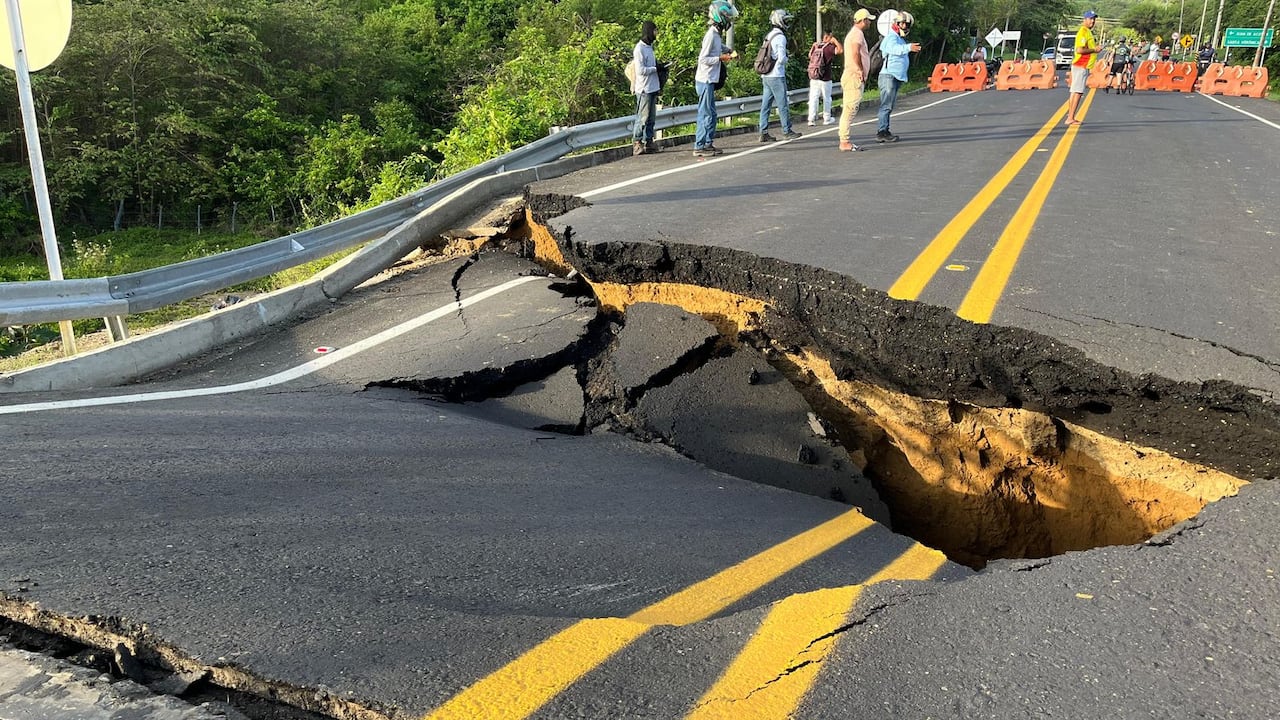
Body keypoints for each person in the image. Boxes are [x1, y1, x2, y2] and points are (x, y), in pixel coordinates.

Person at [694, 0, 739, 157]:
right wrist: (720, 58)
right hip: (705, 80)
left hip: (710, 80)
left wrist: (729, 51)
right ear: (719, 16)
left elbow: (718, 48)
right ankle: (700, 146)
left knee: (711, 114)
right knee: (706, 113)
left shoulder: (716, 34)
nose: (729, 20)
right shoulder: (711, 35)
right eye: (727, 16)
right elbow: (703, 59)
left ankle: (707, 143)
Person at [876, 10, 920, 143]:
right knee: (886, 105)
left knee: (889, 105)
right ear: (897, 23)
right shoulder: (891, 37)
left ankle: (885, 130)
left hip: (895, 76)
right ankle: (882, 131)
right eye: (903, 24)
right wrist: (908, 48)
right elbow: (892, 49)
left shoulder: (900, 39)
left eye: (907, 25)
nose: (905, 27)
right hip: (888, 75)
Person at [758, 8, 801, 142]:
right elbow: (781, 58)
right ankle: (786, 130)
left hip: (766, 75)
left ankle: (763, 131)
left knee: (766, 105)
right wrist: (786, 59)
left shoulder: (769, 35)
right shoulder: (780, 37)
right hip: (776, 75)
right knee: (782, 104)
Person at [837, 8, 873, 152]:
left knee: (849, 108)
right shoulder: (857, 34)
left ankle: (844, 139)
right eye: (868, 20)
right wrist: (860, 70)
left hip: (851, 75)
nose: (870, 22)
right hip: (853, 76)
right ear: (863, 20)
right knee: (850, 109)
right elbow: (855, 52)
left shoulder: (855, 33)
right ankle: (844, 141)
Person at [631, 21, 661, 156]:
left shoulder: (650, 47)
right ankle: (637, 142)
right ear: (649, 31)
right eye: (654, 31)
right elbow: (641, 70)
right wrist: (656, 68)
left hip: (653, 87)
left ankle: (649, 141)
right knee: (642, 118)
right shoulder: (639, 49)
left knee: (651, 118)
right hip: (644, 89)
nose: (656, 34)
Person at [1066, 10, 1099, 126]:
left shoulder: (1088, 32)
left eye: (1094, 19)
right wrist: (1094, 50)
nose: (1093, 21)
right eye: (1090, 19)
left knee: (1075, 91)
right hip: (1081, 65)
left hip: (1082, 66)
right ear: (1084, 20)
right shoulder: (1083, 32)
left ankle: (1070, 116)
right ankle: (1070, 117)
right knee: (1078, 92)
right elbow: (1080, 50)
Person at [806, 29, 843, 127]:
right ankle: (827, 118)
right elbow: (840, 50)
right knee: (827, 98)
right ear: (828, 37)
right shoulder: (829, 48)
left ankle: (811, 119)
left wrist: (813, 47)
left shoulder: (817, 46)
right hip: (825, 78)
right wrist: (835, 41)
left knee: (813, 98)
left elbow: (810, 56)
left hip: (814, 76)